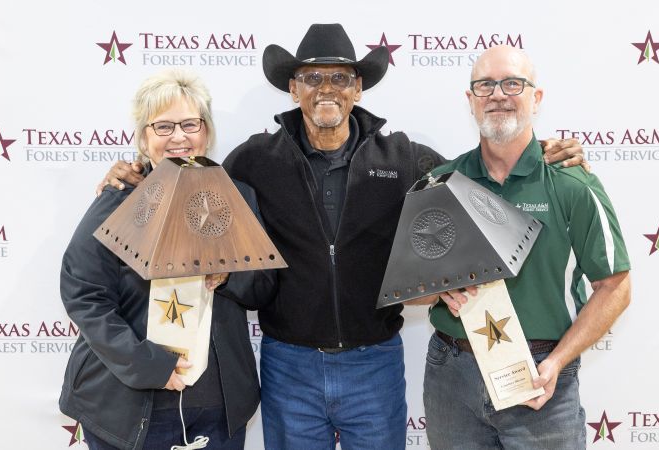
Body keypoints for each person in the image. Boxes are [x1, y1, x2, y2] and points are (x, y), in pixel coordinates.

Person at [97, 24, 584, 450]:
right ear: (293, 89)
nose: (325, 88)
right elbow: (192, 187)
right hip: (289, 365)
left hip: (375, 363)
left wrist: (531, 151)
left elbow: (476, 183)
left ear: (357, 89)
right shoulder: (253, 160)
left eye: (340, 78)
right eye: (312, 77)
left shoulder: (405, 158)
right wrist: (139, 172)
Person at [420, 45, 631, 449]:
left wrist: (555, 363)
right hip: (451, 374)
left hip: (540, 375)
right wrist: (439, 288)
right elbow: (413, 288)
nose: (498, 94)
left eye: (512, 83)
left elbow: (616, 287)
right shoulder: (442, 183)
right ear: (471, 101)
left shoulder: (573, 184)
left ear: (536, 98)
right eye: (485, 85)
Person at [59, 69, 268, 450]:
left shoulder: (237, 197)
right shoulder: (120, 199)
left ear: (206, 131)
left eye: (190, 124)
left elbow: (265, 287)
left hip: (219, 409)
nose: (178, 137)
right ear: (144, 137)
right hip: (130, 408)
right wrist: (149, 365)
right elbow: (84, 294)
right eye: (163, 126)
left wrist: (229, 275)